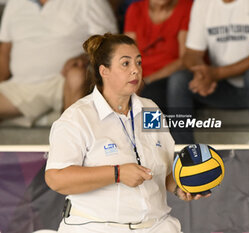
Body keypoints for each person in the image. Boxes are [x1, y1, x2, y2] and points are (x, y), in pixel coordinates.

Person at [45, 33, 208, 233]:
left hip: (157, 226)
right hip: (95, 227)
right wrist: (117, 174)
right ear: (104, 71)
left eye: (138, 62)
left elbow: (161, 171)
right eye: (125, 64)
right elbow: (56, 178)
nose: (135, 70)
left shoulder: (151, 111)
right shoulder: (77, 117)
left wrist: (180, 187)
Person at [168, 0, 249, 144]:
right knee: (179, 81)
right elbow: (192, 53)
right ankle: (184, 154)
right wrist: (202, 74)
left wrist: (215, 74)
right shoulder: (203, 3)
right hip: (229, 86)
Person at [0, 0, 117, 126]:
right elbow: (4, 52)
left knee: (76, 76)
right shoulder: (15, 3)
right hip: (21, 87)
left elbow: (111, 45)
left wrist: (84, 57)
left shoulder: (89, 2)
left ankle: (70, 139)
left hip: (64, 82)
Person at [124, 0, 193, 112]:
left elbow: (185, 59)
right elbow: (127, 55)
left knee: (150, 96)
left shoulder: (186, 7)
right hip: (139, 76)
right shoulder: (135, 9)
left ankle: (153, 129)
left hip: (168, 77)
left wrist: (146, 81)